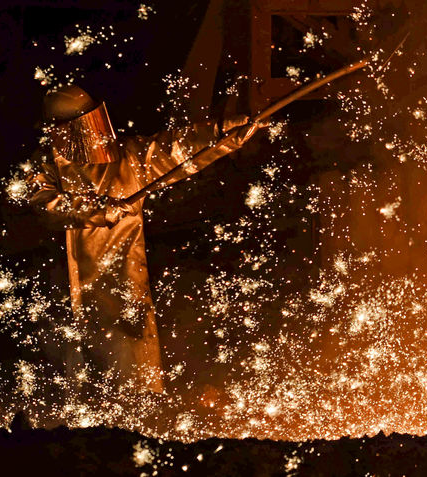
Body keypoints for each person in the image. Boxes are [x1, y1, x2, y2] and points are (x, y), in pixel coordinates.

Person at [28, 84, 260, 393]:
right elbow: (47, 205)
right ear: (61, 130)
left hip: (121, 293)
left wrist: (223, 132)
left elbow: (178, 149)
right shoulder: (44, 167)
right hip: (64, 297)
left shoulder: (126, 158)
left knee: (131, 379)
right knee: (75, 386)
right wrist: (99, 210)